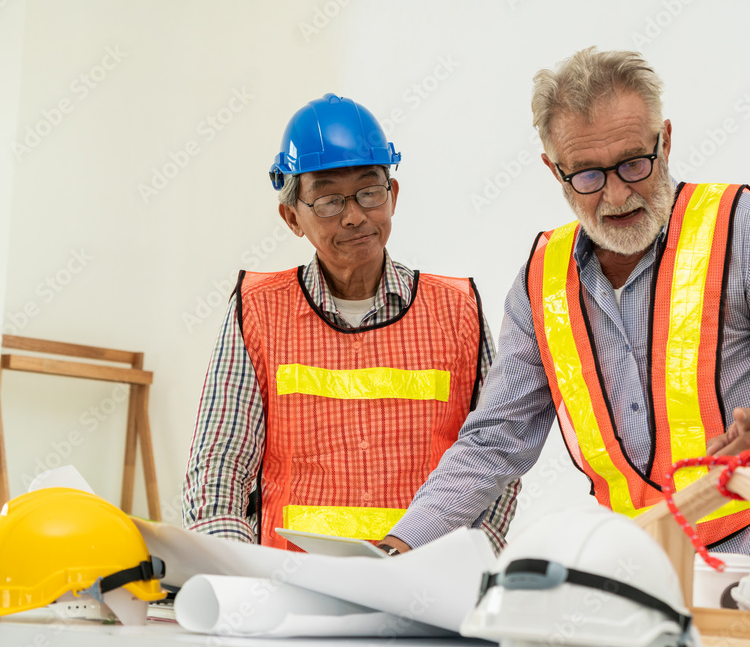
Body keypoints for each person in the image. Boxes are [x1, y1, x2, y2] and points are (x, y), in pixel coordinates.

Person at [381, 48, 750, 557]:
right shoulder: (541, 279)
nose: (617, 196)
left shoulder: (747, 231)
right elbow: (493, 444)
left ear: (664, 142)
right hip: (640, 573)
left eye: (634, 164)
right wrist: (398, 548)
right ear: (555, 171)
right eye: (588, 175)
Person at [182, 93, 519, 553]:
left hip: (421, 589)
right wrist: (236, 574)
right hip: (292, 588)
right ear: (291, 217)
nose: (356, 215)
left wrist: (467, 561)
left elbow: (496, 455)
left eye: (369, 191)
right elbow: (219, 468)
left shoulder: (456, 311)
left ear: (393, 197)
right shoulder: (258, 310)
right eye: (328, 201)